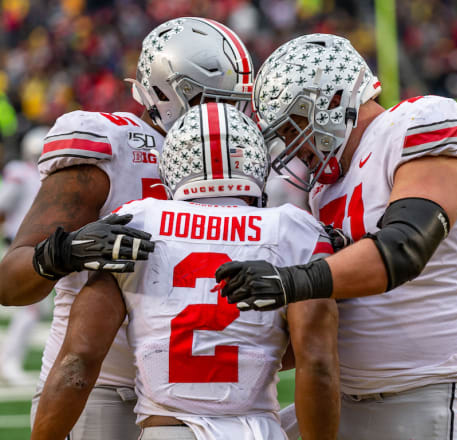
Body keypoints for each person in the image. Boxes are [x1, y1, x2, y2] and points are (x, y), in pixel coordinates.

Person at [216, 33, 457, 439]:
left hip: (431, 391)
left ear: (332, 99)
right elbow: (336, 304)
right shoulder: (324, 188)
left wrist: (288, 282)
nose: (294, 149)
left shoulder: (418, 120)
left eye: (295, 125)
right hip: (349, 399)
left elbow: (405, 246)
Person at [0, 17, 254, 439]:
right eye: (216, 100)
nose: (230, 115)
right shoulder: (111, 144)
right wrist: (68, 251)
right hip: (102, 384)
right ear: (166, 91)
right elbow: (11, 283)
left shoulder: (239, 151)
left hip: (200, 385)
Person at [31, 102, 340, 440]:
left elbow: (79, 361)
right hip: (255, 430)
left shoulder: (139, 220)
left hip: (168, 431)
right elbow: (317, 362)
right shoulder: (293, 229)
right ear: (255, 161)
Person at [0, 126, 49, 385]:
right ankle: (9, 363)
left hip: (26, 247)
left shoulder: (37, 175)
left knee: (32, 308)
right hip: (17, 248)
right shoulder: (21, 173)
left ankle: (7, 361)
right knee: (29, 308)